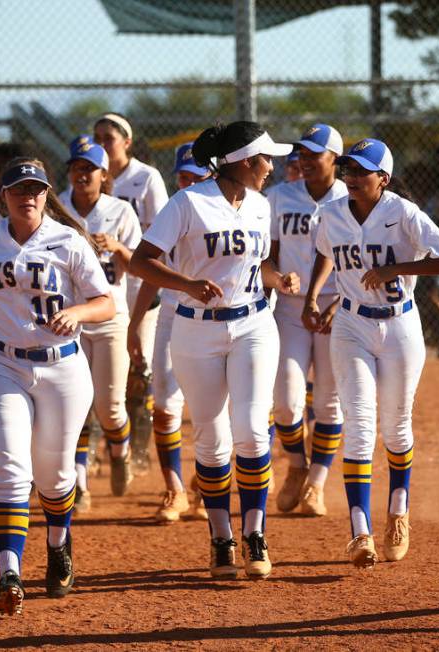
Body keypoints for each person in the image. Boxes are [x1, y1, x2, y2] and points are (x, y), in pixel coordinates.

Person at [129, 121, 297, 580]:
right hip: (196, 332)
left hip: (254, 324)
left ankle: (255, 535)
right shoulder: (188, 202)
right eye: (266, 159)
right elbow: (142, 261)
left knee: (250, 430)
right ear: (243, 162)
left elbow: (254, 266)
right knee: (211, 436)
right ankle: (222, 539)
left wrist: (278, 279)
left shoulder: (261, 205)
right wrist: (184, 284)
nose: (272, 167)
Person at [0, 158, 115, 616]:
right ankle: (9, 571)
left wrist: (78, 314)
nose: (28, 195)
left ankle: (59, 545)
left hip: (63, 369)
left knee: (57, 475)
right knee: (8, 468)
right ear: (2, 194)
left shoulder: (68, 241)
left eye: (36, 188)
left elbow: (104, 302)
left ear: (46, 194)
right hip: (2, 362)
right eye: (18, 188)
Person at [303, 138, 439, 568]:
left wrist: (399, 268)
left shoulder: (402, 212)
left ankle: (398, 510)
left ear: (383, 178)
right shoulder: (332, 213)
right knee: (358, 423)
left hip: (399, 326)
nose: (351, 177)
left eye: (361, 171)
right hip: (351, 325)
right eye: (348, 169)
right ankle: (360, 532)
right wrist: (315, 294)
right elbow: (324, 254)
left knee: (395, 427)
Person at [266, 123, 348, 516]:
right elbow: (267, 253)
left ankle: (316, 484)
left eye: (315, 153)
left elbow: (361, 258)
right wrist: (279, 276)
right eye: (302, 152)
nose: (306, 159)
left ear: (335, 158)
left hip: (340, 308)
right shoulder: (280, 196)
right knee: (286, 402)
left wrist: (341, 301)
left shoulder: (352, 197)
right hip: (290, 307)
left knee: (330, 403)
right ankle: (297, 466)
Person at [129, 142, 211, 523]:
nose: (189, 180)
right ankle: (174, 488)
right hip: (173, 315)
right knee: (164, 403)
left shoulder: (220, 213)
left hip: (213, 320)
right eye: (184, 174)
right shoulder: (172, 211)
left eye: (197, 174)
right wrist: (134, 323)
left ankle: (205, 481)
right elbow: (150, 267)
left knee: (212, 408)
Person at [58, 136, 142, 508]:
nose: (82, 173)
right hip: (71, 319)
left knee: (109, 407)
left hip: (111, 317)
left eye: (89, 168)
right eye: (77, 166)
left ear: (103, 174)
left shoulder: (121, 211)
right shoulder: (56, 208)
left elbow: (140, 264)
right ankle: (79, 485)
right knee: (75, 405)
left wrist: (118, 248)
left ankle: (119, 452)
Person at [93, 113, 169, 473]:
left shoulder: (145, 178)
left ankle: (138, 448)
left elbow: (162, 233)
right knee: (102, 375)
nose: (103, 144)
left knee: (139, 369)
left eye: (109, 137)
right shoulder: (91, 182)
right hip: (107, 290)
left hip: (142, 287)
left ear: (127, 141)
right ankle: (97, 447)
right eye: (98, 138)